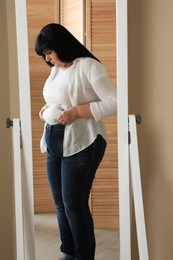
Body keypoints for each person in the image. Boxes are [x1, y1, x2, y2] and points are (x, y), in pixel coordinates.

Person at [35, 23, 117, 260]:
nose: (48, 59)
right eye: (45, 55)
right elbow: (59, 97)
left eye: (49, 52)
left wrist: (79, 111)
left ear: (61, 45)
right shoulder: (57, 69)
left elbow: (115, 101)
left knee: (74, 206)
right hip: (54, 139)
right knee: (60, 205)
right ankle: (68, 253)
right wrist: (48, 108)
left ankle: (83, 257)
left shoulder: (88, 66)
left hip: (84, 141)